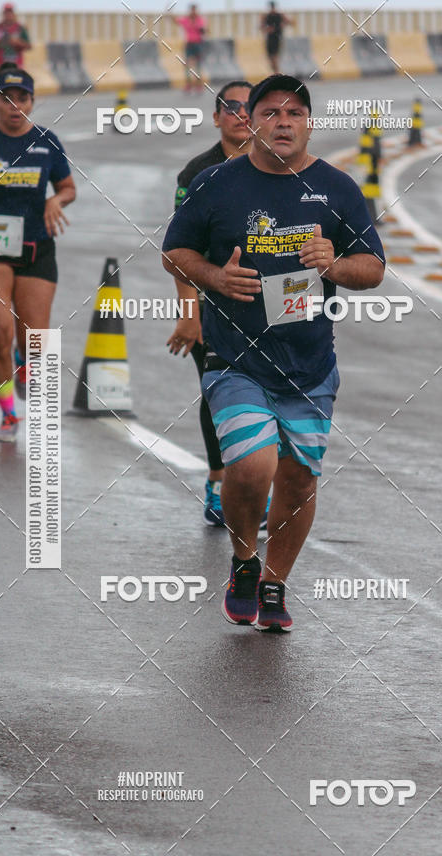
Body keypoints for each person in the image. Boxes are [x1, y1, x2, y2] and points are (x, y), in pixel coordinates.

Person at [162, 74, 385, 631]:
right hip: (235, 359)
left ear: (308, 123)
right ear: (250, 123)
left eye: (293, 113)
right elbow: (174, 253)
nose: (282, 122)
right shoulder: (215, 183)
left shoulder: (337, 189)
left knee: (299, 480)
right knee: (251, 465)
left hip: (309, 366)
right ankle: (243, 558)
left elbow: (374, 269)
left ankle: (272, 584)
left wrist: (333, 265)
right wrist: (214, 276)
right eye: (269, 113)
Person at [0, 64, 76, 442]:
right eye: (6, 99)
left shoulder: (47, 140)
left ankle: (25, 361)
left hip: (37, 245)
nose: (14, 105)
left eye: (22, 98)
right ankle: (8, 416)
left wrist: (57, 200)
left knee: (34, 339)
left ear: (32, 102)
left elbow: (69, 187)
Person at [167, 80, 253, 527]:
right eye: (231, 106)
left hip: (268, 305)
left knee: (273, 390)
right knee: (217, 390)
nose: (240, 113)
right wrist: (189, 313)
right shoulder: (198, 173)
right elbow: (180, 251)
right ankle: (218, 484)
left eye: (248, 105)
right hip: (212, 305)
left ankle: (259, 487)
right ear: (216, 116)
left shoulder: (281, 166)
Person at [173, 5, 207, 92]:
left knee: (198, 65)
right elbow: (175, 21)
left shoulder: (200, 19)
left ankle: (198, 84)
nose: (193, 12)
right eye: (192, 10)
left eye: (194, 10)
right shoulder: (186, 20)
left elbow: (203, 30)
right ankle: (188, 84)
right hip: (189, 44)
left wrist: (200, 28)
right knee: (187, 64)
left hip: (198, 44)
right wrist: (169, 11)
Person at [0, 3, 31, 70]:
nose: (8, 15)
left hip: (17, 65)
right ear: (3, 13)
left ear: (13, 13)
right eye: (6, 12)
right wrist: (1, 41)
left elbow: (28, 46)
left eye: (10, 12)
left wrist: (17, 42)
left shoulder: (20, 28)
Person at [260, 2, 293, 74]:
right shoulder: (267, 16)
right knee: (270, 57)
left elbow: (290, 22)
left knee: (274, 56)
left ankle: (276, 73)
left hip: (276, 38)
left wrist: (282, 25)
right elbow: (262, 27)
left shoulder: (279, 15)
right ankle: (275, 72)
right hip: (270, 38)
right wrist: (268, 29)